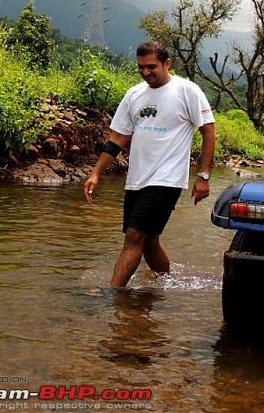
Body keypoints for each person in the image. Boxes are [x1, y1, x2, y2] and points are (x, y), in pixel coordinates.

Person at [83, 40, 216, 288]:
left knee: (134, 236)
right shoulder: (134, 94)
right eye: (141, 67)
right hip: (137, 179)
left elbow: (208, 132)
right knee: (149, 239)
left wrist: (203, 176)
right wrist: (96, 173)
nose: (146, 72)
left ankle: (112, 294)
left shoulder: (187, 91)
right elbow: (117, 139)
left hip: (167, 179)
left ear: (167, 64)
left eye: (152, 67)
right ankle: (166, 284)